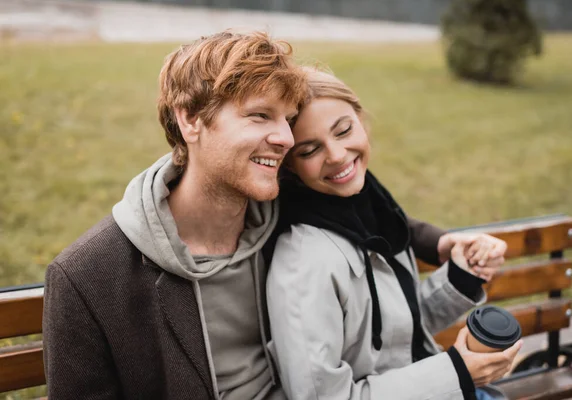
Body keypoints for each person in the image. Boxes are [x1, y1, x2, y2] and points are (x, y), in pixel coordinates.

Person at [42, 31, 307, 399]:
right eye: (260, 115)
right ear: (190, 120)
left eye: (288, 119)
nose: (286, 139)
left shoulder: (296, 217)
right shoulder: (87, 277)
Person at [265, 68, 522, 400]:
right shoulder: (303, 265)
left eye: (343, 130)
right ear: (290, 166)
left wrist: (461, 277)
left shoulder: (373, 211)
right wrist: (457, 371)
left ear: (362, 121)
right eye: (309, 150)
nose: (337, 155)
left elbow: (392, 337)